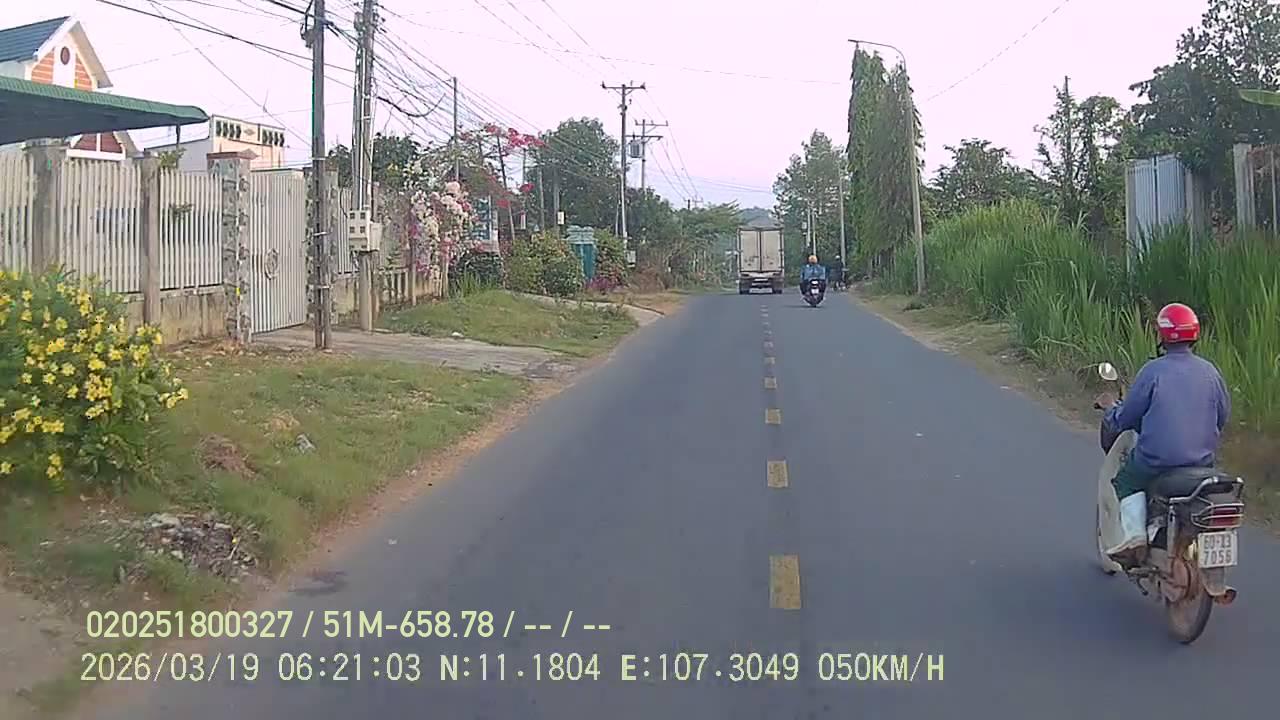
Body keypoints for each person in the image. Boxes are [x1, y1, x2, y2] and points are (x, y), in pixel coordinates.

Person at [1095, 302, 1231, 557]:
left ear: (1162, 335)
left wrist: (1111, 412)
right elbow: (1222, 416)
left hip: (1157, 460)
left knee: (1126, 481)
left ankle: (1135, 535)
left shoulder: (1153, 371)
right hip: (1202, 462)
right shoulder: (1211, 372)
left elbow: (1128, 416)